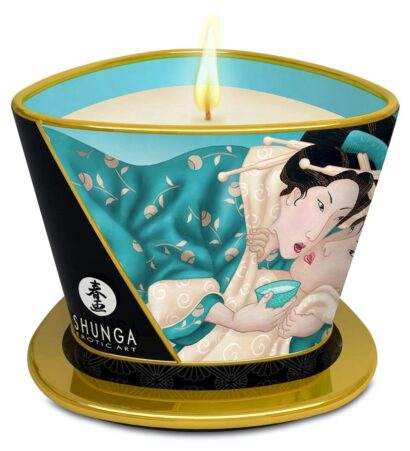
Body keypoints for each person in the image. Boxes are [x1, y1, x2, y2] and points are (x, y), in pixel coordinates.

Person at [147, 140, 375, 361]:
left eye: (336, 218)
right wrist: (233, 319)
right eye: (321, 205)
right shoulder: (229, 195)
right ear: (294, 193)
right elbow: (171, 274)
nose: (315, 235)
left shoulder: (286, 248)